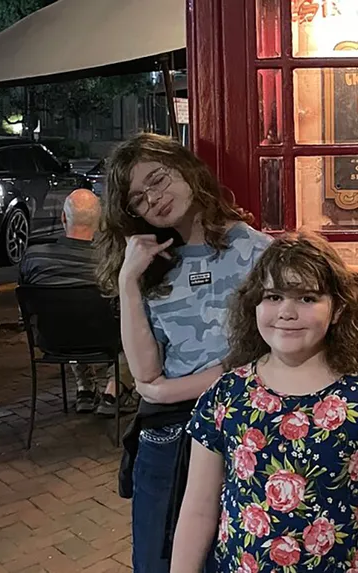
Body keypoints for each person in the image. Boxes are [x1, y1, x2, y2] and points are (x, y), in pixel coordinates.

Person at [171, 231, 358, 573]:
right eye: (273, 296)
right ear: (253, 304)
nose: (286, 312)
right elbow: (198, 509)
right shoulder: (227, 395)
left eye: (306, 298)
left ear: (337, 310)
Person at [96, 133, 272, 573]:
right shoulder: (149, 263)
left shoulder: (258, 252)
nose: (153, 199)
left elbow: (268, 357)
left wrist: (170, 390)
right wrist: (127, 282)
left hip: (246, 427)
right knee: (161, 561)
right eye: (138, 198)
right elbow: (144, 371)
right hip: (173, 438)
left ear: (186, 169)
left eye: (158, 179)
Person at [18, 188, 136, 416]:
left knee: (66, 315)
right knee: (139, 321)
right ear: (100, 222)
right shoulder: (111, 261)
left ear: (63, 218)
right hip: (105, 340)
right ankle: (115, 391)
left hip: (52, 341)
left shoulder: (34, 258)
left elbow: (27, 310)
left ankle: (85, 389)